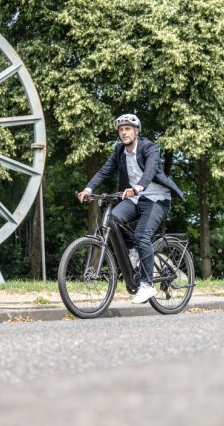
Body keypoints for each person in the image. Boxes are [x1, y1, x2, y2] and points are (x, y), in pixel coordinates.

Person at [77, 113, 184, 304]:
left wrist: (139, 186)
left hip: (156, 199)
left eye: (127, 128)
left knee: (142, 234)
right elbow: (104, 171)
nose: (124, 132)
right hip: (135, 198)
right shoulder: (119, 151)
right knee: (113, 220)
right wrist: (88, 188)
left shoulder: (149, 147)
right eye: (121, 129)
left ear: (136, 131)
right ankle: (134, 250)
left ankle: (147, 285)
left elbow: (151, 170)